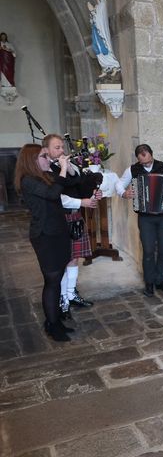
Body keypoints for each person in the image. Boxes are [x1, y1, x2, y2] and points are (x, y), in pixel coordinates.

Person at [14, 144, 78, 341]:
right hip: (45, 236)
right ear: (31, 160)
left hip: (58, 232)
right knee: (51, 281)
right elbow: (52, 194)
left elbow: (69, 184)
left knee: (57, 278)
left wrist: (64, 167)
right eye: (43, 156)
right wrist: (63, 170)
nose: (47, 157)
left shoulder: (44, 175)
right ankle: (52, 324)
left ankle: (56, 319)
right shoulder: (27, 181)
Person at [41, 134, 97, 320]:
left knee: (74, 258)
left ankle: (71, 293)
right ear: (46, 150)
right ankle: (62, 298)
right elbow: (58, 197)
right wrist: (82, 202)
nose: (61, 150)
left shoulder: (64, 165)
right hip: (60, 218)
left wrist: (93, 192)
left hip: (75, 216)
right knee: (63, 261)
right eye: (57, 147)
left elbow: (77, 182)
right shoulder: (45, 169)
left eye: (62, 147)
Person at [116, 144, 163, 297]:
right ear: (138, 159)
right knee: (148, 251)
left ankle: (160, 280)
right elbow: (119, 184)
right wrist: (124, 193)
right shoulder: (132, 170)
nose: (146, 164)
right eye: (143, 162)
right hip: (145, 217)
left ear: (152, 155)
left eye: (148, 161)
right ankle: (149, 282)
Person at [87, 0, 121, 79]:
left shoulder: (102, 5)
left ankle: (115, 66)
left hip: (100, 31)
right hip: (96, 30)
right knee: (96, 47)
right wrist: (93, 11)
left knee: (103, 47)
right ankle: (106, 67)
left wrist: (92, 10)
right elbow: (93, 20)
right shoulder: (98, 6)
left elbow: (99, 19)